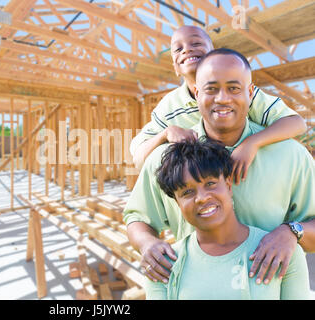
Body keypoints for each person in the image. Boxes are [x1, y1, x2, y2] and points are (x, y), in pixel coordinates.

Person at [123, 48, 315, 287]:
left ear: (250, 92)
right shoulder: (166, 159)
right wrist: (147, 243)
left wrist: (292, 232)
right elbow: (138, 217)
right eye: (211, 89)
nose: (222, 98)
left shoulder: (291, 156)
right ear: (196, 92)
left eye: (234, 88)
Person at [130, 25, 307, 187]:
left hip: (250, 180)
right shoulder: (169, 107)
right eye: (178, 48)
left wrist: (251, 143)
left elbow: (297, 123)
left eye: (196, 43)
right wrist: (165, 134)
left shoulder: (241, 95)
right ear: (175, 67)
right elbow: (139, 159)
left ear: (213, 55)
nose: (187, 49)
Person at [145, 139, 310, 299]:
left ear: (229, 186)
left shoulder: (282, 252)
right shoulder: (163, 264)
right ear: (177, 203)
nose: (201, 198)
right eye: (187, 192)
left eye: (210, 183)